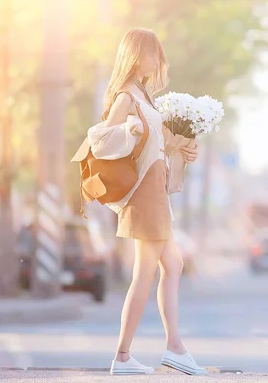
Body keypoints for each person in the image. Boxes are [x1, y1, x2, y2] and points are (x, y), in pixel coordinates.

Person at [86, 28, 204, 376]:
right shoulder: (126, 95)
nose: (158, 60)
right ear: (137, 55)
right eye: (153, 53)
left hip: (155, 190)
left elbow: (152, 148)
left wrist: (182, 147)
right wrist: (130, 131)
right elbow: (100, 140)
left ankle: (173, 348)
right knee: (145, 273)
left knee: (173, 266)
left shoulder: (144, 95)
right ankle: (125, 356)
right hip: (145, 196)